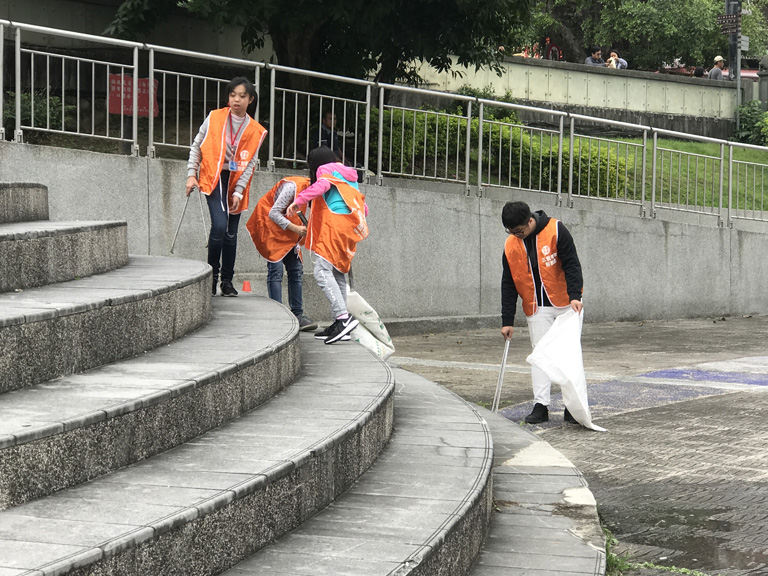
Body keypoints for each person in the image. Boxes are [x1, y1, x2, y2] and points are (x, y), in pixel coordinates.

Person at [500, 201, 584, 424]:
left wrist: (575, 295)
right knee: (539, 356)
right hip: (536, 306)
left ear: (530, 220)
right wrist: (507, 320)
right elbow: (508, 283)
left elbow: (572, 264)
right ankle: (541, 405)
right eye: (512, 232)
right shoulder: (510, 245)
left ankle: (572, 407)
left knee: (568, 355)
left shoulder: (556, 230)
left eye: (520, 231)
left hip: (567, 303)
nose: (517, 235)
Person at [186, 77, 267, 297]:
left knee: (231, 233)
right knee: (220, 226)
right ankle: (211, 278)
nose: (236, 100)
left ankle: (227, 282)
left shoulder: (256, 130)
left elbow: (250, 163)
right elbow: (197, 146)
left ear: (250, 99)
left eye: (242, 96)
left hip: (236, 182)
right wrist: (191, 175)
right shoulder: (215, 117)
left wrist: (239, 191)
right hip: (213, 178)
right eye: (233, 95)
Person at [286, 146, 369, 345]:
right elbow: (363, 208)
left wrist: (298, 201)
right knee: (338, 272)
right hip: (350, 227)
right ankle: (339, 322)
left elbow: (322, 185)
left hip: (335, 224)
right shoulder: (349, 175)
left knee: (321, 272)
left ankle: (342, 318)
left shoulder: (327, 169)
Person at [245, 176, 318, 331]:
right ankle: (277, 315)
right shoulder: (293, 187)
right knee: (276, 271)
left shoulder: (315, 194)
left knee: (296, 270)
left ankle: (297, 315)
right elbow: (273, 213)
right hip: (270, 226)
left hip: (289, 231)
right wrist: (296, 229)